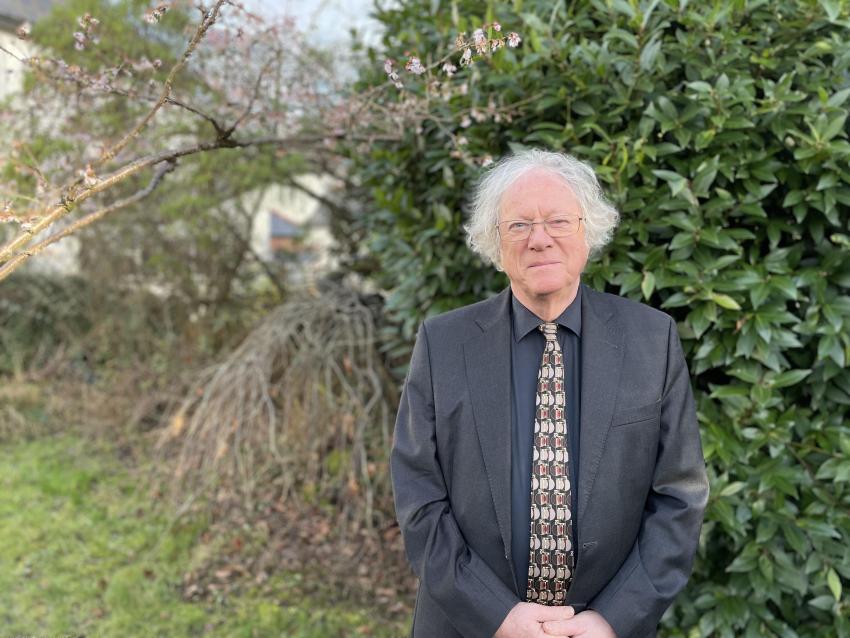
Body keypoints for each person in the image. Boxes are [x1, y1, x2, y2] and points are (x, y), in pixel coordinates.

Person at [390, 149, 710, 638]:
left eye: (558, 221)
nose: (539, 239)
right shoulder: (443, 344)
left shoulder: (652, 340)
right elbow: (419, 495)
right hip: (467, 625)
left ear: (588, 230)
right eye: (519, 225)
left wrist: (612, 619)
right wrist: (496, 614)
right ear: (495, 241)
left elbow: (678, 497)